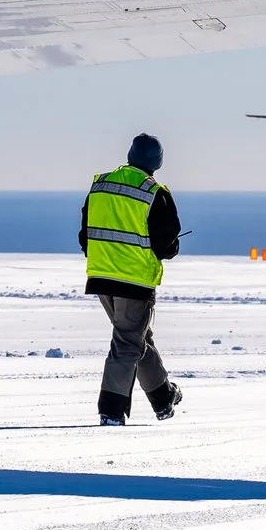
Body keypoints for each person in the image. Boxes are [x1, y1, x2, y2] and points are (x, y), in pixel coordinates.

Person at [79, 132, 183, 425]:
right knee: (127, 343)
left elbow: (85, 233)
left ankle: (163, 397)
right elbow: (166, 245)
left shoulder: (101, 185)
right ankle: (111, 410)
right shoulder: (155, 193)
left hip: (100, 277)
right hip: (134, 282)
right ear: (157, 162)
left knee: (136, 338)